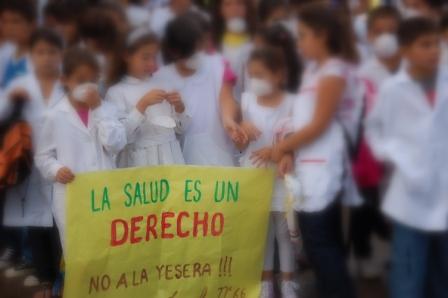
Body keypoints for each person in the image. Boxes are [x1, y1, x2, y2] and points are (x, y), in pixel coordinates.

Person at [253, 3, 359, 297]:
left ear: (322, 35)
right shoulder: (315, 70)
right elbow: (301, 121)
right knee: (319, 244)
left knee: (322, 245)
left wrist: (282, 147)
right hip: (309, 164)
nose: (298, 43)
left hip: (324, 168)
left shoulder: (333, 72)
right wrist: (288, 152)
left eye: (302, 36)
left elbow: (320, 123)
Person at [366, 17, 448, 298]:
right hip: (409, 196)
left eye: (436, 44)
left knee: (443, 274)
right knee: (408, 274)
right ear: (405, 50)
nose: (434, 50)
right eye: (425, 45)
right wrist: (395, 154)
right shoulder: (393, 89)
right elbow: (375, 129)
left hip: (444, 190)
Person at [35, 47, 127, 252]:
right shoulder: (54, 116)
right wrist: (55, 169)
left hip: (105, 192)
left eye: (93, 80)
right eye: (80, 79)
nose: (88, 86)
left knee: (108, 249)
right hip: (72, 193)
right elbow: (43, 156)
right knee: (77, 252)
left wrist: (99, 110)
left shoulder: (109, 110)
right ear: (64, 80)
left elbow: (116, 143)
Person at [0, 29, 64, 293]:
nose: (47, 58)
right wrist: (13, 104)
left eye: (52, 52)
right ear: (32, 55)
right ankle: (44, 277)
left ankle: (61, 279)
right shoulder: (20, 86)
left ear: (61, 55)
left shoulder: (68, 84)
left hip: (61, 164)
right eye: (40, 52)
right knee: (37, 224)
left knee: (61, 226)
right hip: (30, 167)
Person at [235, 48, 298, 298]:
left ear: (280, 75)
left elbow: (297, 140)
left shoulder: (292, 102)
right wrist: (241, 129)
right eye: (252, 75)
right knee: (262, 232)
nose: (255, 80)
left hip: (282, 176)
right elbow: (239, 144)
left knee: (285, 231)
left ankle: (289, 282)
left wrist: (284, 153)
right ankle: (265, 282)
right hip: (254, 174)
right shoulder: (246, 101)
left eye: (261, 75)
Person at [350, 5, 401, 278]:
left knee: (397, 208)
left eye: (392, 32)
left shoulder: (411, 67)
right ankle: (362, 252)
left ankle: (397, 255)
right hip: (371, 153)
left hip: (404, 152)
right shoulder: (365, 72)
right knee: (367, 206)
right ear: (368, 36)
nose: (385, 37)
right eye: (379, 32)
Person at [155, 13, 235, 166]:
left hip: (218, 156)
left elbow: (226, 97)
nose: (196, 54)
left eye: (198, 47)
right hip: (179, 162)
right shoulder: (160, 78)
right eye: (190, 52)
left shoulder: (218, 65)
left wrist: (228, 120)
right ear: (174, 51)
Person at [106, 29, 189, 167]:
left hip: (170, 160)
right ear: (127, 56)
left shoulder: (165, 84)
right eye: (145, 57)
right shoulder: (116, 92)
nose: (151, 63)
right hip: (138, 163)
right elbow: (118, 138)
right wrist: (141, 106)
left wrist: (180, 108)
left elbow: (181, 130)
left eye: (154, 57)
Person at [212, 0, 256, 98]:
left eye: (240, 3)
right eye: (228, 5)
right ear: (220, 9)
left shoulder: (259, 42)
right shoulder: (210, 44)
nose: (234, 9)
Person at [0, 0, 36, 89]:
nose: (9, 27)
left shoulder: (43, 55)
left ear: (32, 25)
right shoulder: (4, 53)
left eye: (15, 22)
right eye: (5, 22)